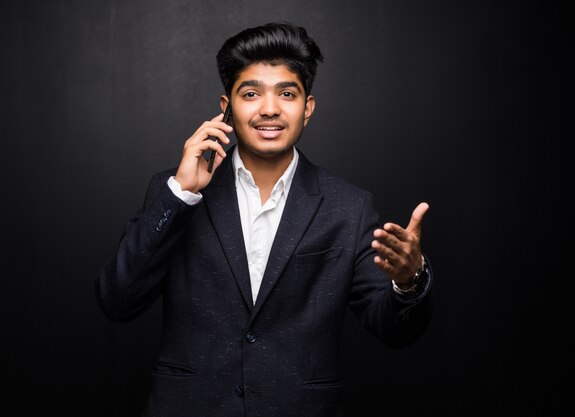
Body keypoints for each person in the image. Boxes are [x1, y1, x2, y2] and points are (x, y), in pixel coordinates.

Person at [95, 22, 433, 417]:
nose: (269, 108)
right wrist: (181, 194)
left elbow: (394, 331)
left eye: (287, 94)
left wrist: (408, 281)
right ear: (226, 106)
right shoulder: (175, 192)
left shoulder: (349, 207)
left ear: (307, 108)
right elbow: (117, 301)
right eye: (251, 93)